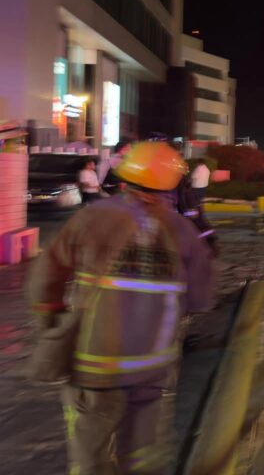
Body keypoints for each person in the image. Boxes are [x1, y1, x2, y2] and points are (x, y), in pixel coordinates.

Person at [27, 141, 214, 474]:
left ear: (125, 177)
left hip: (95, 367)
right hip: (152, 371)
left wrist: (53, 324)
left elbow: (45, 281)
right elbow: (199, 300)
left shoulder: (93, 216)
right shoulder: (185, 231)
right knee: (141, 458)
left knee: (90, 456)